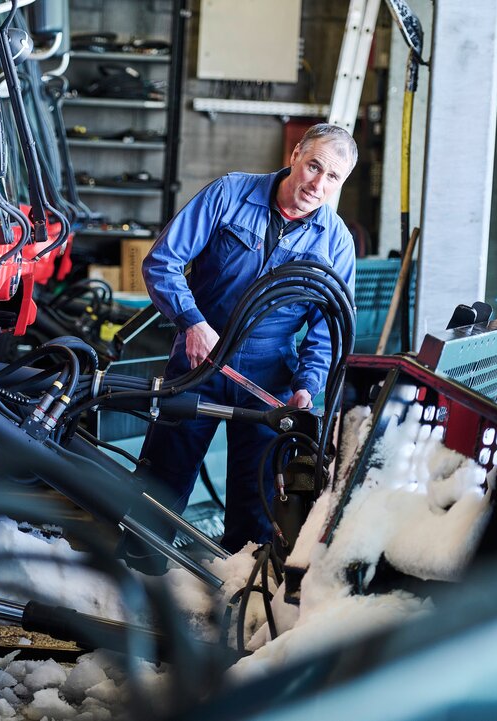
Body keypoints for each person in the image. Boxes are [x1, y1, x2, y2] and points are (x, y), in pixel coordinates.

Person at [137, 123, 358, 555]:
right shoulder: (229, 194)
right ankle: (135, 579)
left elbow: (328, 328)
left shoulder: (337, 242)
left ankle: (236, 595)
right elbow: (163, 261)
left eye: (333, 177)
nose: (318, 184)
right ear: (295, 155)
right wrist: (192, 322)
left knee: (257, 503)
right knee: (159, 486)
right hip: (199, 362)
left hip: (268, 378)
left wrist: (307, 386)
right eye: (314, 166)